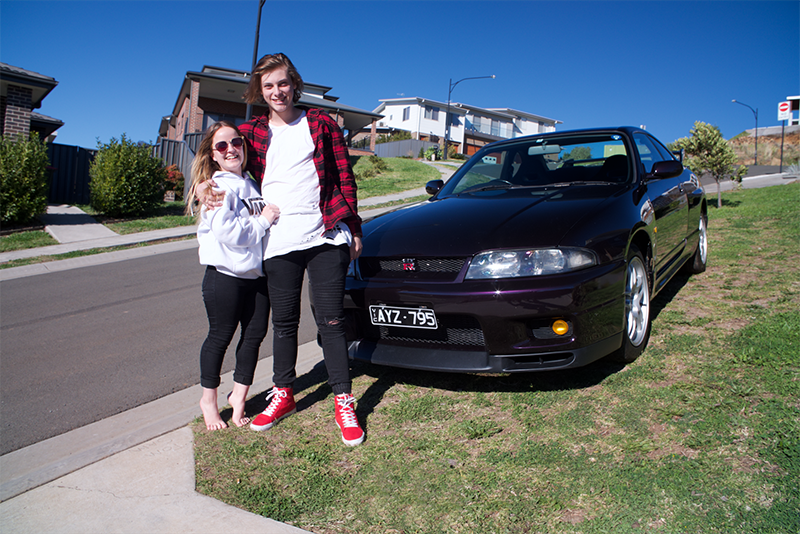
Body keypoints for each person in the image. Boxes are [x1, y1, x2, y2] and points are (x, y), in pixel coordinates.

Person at [238, 53, 365, 446]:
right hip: (278, 239)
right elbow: (221, 159)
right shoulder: (250, 132)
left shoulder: (321, 124)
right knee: (284, 323)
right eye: (268, 86)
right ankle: (284, 394)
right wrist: (207, 188)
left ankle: (343, 401)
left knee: (331, 321)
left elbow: (344, 177)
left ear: (294, 84)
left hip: (324, 234)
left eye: (282, 83)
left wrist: (353, 227)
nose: (277, 91)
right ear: (260, 91)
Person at [188, 121, 280, 431]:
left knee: (254, 336)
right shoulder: (214, 189)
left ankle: (238, 398)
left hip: (257, 277)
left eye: (236, 142)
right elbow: (230, 234)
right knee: (220, 337)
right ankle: (208, 401)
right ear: (212, 154)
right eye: (222, 145)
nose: (231, 149)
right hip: (224, 275)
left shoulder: (254, 185)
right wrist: (264, 221)